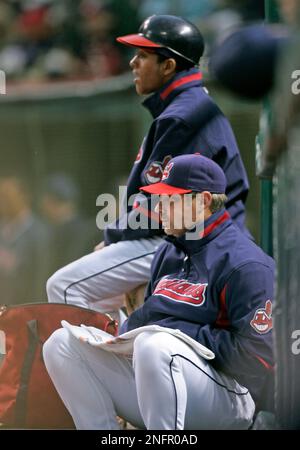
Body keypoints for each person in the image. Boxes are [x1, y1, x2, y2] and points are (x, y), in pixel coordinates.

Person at [43, 154, 274, 430]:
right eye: (159, 199)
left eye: (170, 200)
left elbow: (259, 357)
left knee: (154, 345)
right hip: (166, 379)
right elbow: (150, 320)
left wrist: (176, 334)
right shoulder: (169, 251)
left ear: (202, 201)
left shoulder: (245, 263)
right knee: (61, 344)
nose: (160, 208)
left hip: (232, 400)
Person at [46, 15, 250, 322]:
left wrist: (112, 236)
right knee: (98, 296)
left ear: (168, 66)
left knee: (63, 287)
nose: (132, 63)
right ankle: (113, 360)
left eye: (143, 55)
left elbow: (165, 205)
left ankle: (103, 368)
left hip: (193, 240)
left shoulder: (183, 116)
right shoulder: (187, 107)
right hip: (188, 236)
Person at [0, 173, 50, 305]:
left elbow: (40, 278)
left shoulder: (40, 232)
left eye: (7, 197)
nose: (3, 201)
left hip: (23, 309)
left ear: (25, 197)